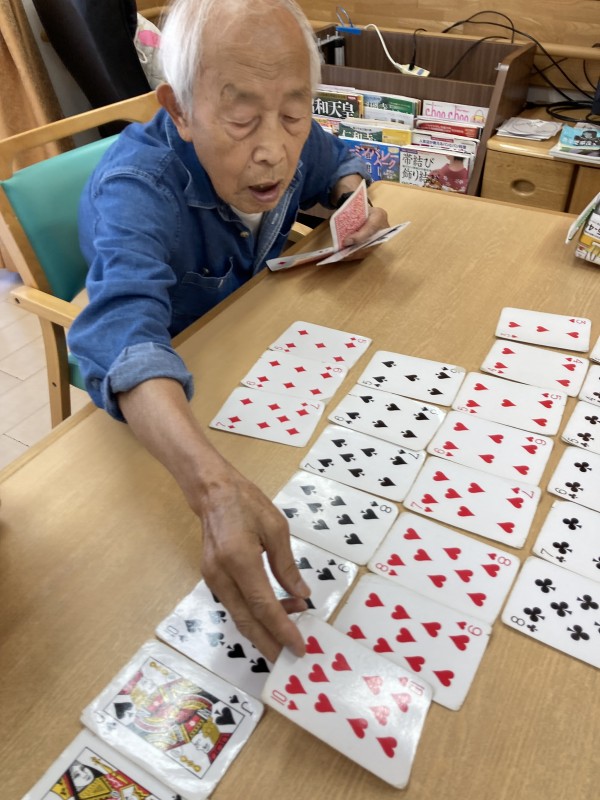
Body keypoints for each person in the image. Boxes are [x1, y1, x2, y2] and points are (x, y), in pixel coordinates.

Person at [68, 0, 389, 662]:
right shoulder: (135, 188)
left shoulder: (293, 139)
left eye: (293, 113)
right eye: (241, 120)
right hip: (166, 421)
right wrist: (214, 491)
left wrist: (354, 203)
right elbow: (122, 334)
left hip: (254, 359)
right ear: (180, 109)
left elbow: (334, 157)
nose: (274, 149)